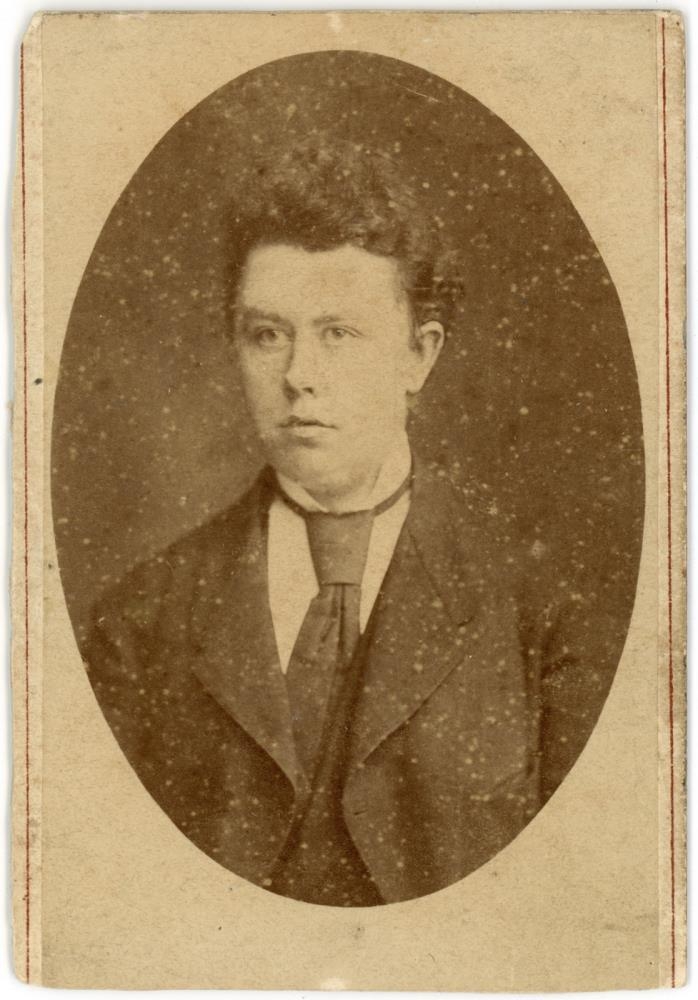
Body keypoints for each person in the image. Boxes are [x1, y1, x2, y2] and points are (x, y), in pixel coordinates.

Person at [84, 138, 615, 906]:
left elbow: (577, 902)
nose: (299, 375)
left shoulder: (544, 618)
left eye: (338, 333)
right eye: (267, 334)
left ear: (419, 356)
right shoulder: (136, 623)